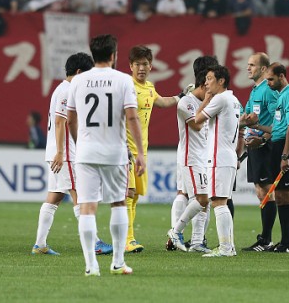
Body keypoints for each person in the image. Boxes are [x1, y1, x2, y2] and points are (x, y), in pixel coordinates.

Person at [67, 34, 145, 276]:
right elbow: (132, 116)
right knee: (118, 203)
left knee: (87, 206)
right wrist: (140, 152)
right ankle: (118, 262)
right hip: (114, 152)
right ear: (113, 55)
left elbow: (70, 119)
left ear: (93, 54)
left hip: (86, 152)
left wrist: (81, 143)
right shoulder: (123, 80)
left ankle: (91, 265)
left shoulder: (79, 81)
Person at [31, 52, 111, 256]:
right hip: (65, 152)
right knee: (81, 195)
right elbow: (60, 121)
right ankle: (94, 243)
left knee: (55, 196)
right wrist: (60, 152)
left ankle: (40, 244)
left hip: (59, 151)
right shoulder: (67, 91)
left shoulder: (62, 89)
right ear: (78, 72)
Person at [125, 45, 187, 253]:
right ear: (130, 66)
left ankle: (127, 238)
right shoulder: (126, 86)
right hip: (125, 150)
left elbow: (161, 102)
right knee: (128, 193)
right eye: (137, 64)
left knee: (134, 197)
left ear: (151, 66)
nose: (141, 68)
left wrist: (181, 96)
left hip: (141, 151)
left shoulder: (150, 88)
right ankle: (127, 239)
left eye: (145, 64)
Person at [247, 62, 289, 253]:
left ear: (281, 76)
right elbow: (276, 128)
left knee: (287, 194)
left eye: (271, 79)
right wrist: (258, 129)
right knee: (279, 195)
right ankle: (285, 241)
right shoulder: (281, 97)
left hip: (284, 147)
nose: (268, 83)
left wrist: (285, 154)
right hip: (276, 145)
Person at [167, 55, 218, 253]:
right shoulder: (186, 103)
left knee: (202, 199)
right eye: (214, 76)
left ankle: (197, 241)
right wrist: (207, 101)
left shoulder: (212, 100)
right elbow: (196, 125)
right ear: (206, 78)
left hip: (204, 156)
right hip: (190, 156)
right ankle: (175, 232)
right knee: (197, 197)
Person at [194, 65, 241, 257]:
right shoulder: (234, 99)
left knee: (218, 202)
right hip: (228, 155)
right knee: (223, 201)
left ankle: (225, 248)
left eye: (210, 78)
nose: (206, 83)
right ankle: (229, 246)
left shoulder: (220, 99)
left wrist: (205, 100)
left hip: (218, 157)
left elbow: (196, 119)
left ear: (221, 81)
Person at [239, 52, 278, 252]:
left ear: (263, 69)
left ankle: (266, 239)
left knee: (266, 189)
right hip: (253, 144)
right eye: (248, 64)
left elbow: (276, 121)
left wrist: (262, 138)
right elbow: (248, 118)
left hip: (264, 145)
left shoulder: (269, 91)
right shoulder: (255, 91)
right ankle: (265, 238)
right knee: (260, 190)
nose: (248, 68)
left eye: (252, 65)